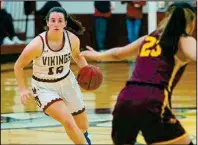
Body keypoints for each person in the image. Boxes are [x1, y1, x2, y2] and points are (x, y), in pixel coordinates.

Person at [80, 2, 196, 145]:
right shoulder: (184, 39)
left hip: (125, 100)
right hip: (152, 101)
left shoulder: (148, 39)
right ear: (192, 21)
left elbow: (118, 54)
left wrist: (98, 55)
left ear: (167, 17)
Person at [14, 7, 91, 145]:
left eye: (60, 20)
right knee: (68, 121)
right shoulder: (37, 45)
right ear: (48, 23)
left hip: (67, 82)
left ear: (65, 23)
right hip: (44, 87)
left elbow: (77, 56)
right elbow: (18, 65)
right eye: (53, 20)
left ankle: (84, 137)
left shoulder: (72, 40)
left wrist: (88, 70)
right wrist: (23, 89)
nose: (56, 23)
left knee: (83, 126)